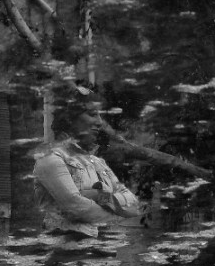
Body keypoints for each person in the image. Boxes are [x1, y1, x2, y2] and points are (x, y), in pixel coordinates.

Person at [32, 84, 141, 238]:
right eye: (92, 114)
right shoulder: (50, 158)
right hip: (64, 248)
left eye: (100, 115)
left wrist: (99, 195)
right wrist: (116, 211)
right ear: (70, 118)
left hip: (98, 248)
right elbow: (76, 207)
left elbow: (133, 206)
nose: (100, 122)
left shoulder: (97, 162)